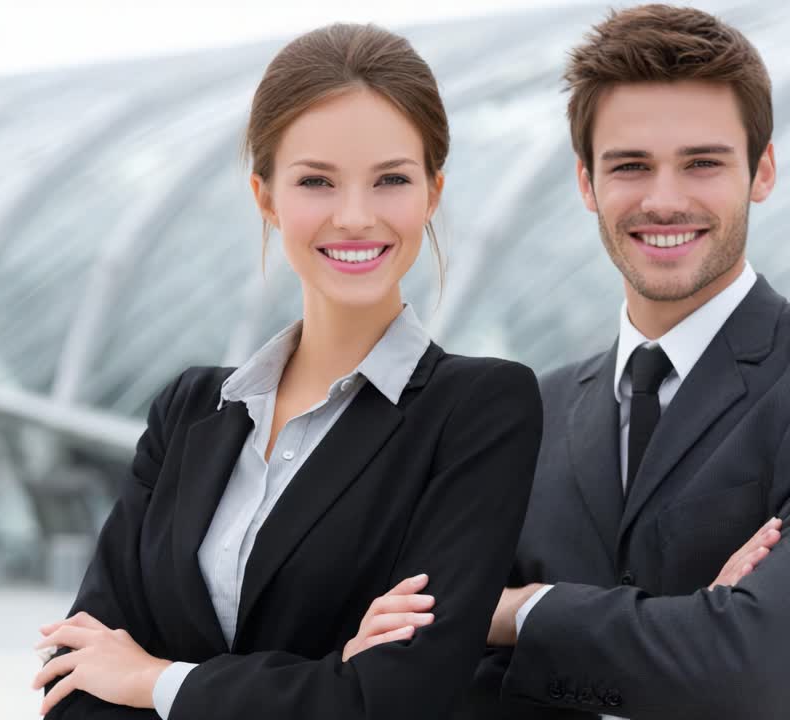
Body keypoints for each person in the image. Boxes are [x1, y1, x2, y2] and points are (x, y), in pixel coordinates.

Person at [351, 5, 790, 719]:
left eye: (702, 163)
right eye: (630, 166)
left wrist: (519, 612)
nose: (665, 200)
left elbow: (754, 671)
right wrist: (692, 628)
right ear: (586, 183)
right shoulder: (529, 413)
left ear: (762, 171)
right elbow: (428, 676)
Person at [31, 22, 544, 719]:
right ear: (266, 197)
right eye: (316, 181)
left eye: (391, 179)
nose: (356, 216)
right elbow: (75, 680)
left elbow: (397, 698)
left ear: (432, 193)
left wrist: (153, 680)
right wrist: (326, 679)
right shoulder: (189, 411)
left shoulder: (479, 410)